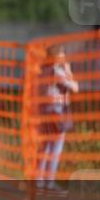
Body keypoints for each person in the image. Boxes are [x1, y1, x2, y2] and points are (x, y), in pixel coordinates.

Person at [36, 45, 78, 190]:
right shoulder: (57, 70)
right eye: (62, 54)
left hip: (44, 109)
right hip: (56, 110)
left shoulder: (43, 69)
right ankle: (48, 182)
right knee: (56, 147)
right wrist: (68, 69)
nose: (64, 57)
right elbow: (74, 87)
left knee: (45, 146)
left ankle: (38, 180)